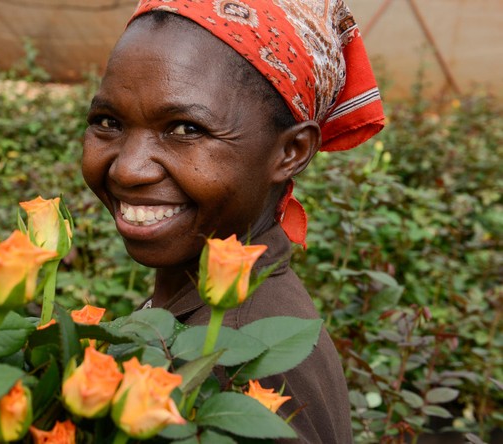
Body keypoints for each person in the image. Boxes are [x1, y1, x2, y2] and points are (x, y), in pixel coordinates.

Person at [81, 1, 385, 442]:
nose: (128, 170)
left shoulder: (239, 367)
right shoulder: (214, 317)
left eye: (186, 129)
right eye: (108, 122)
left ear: (291, 152)